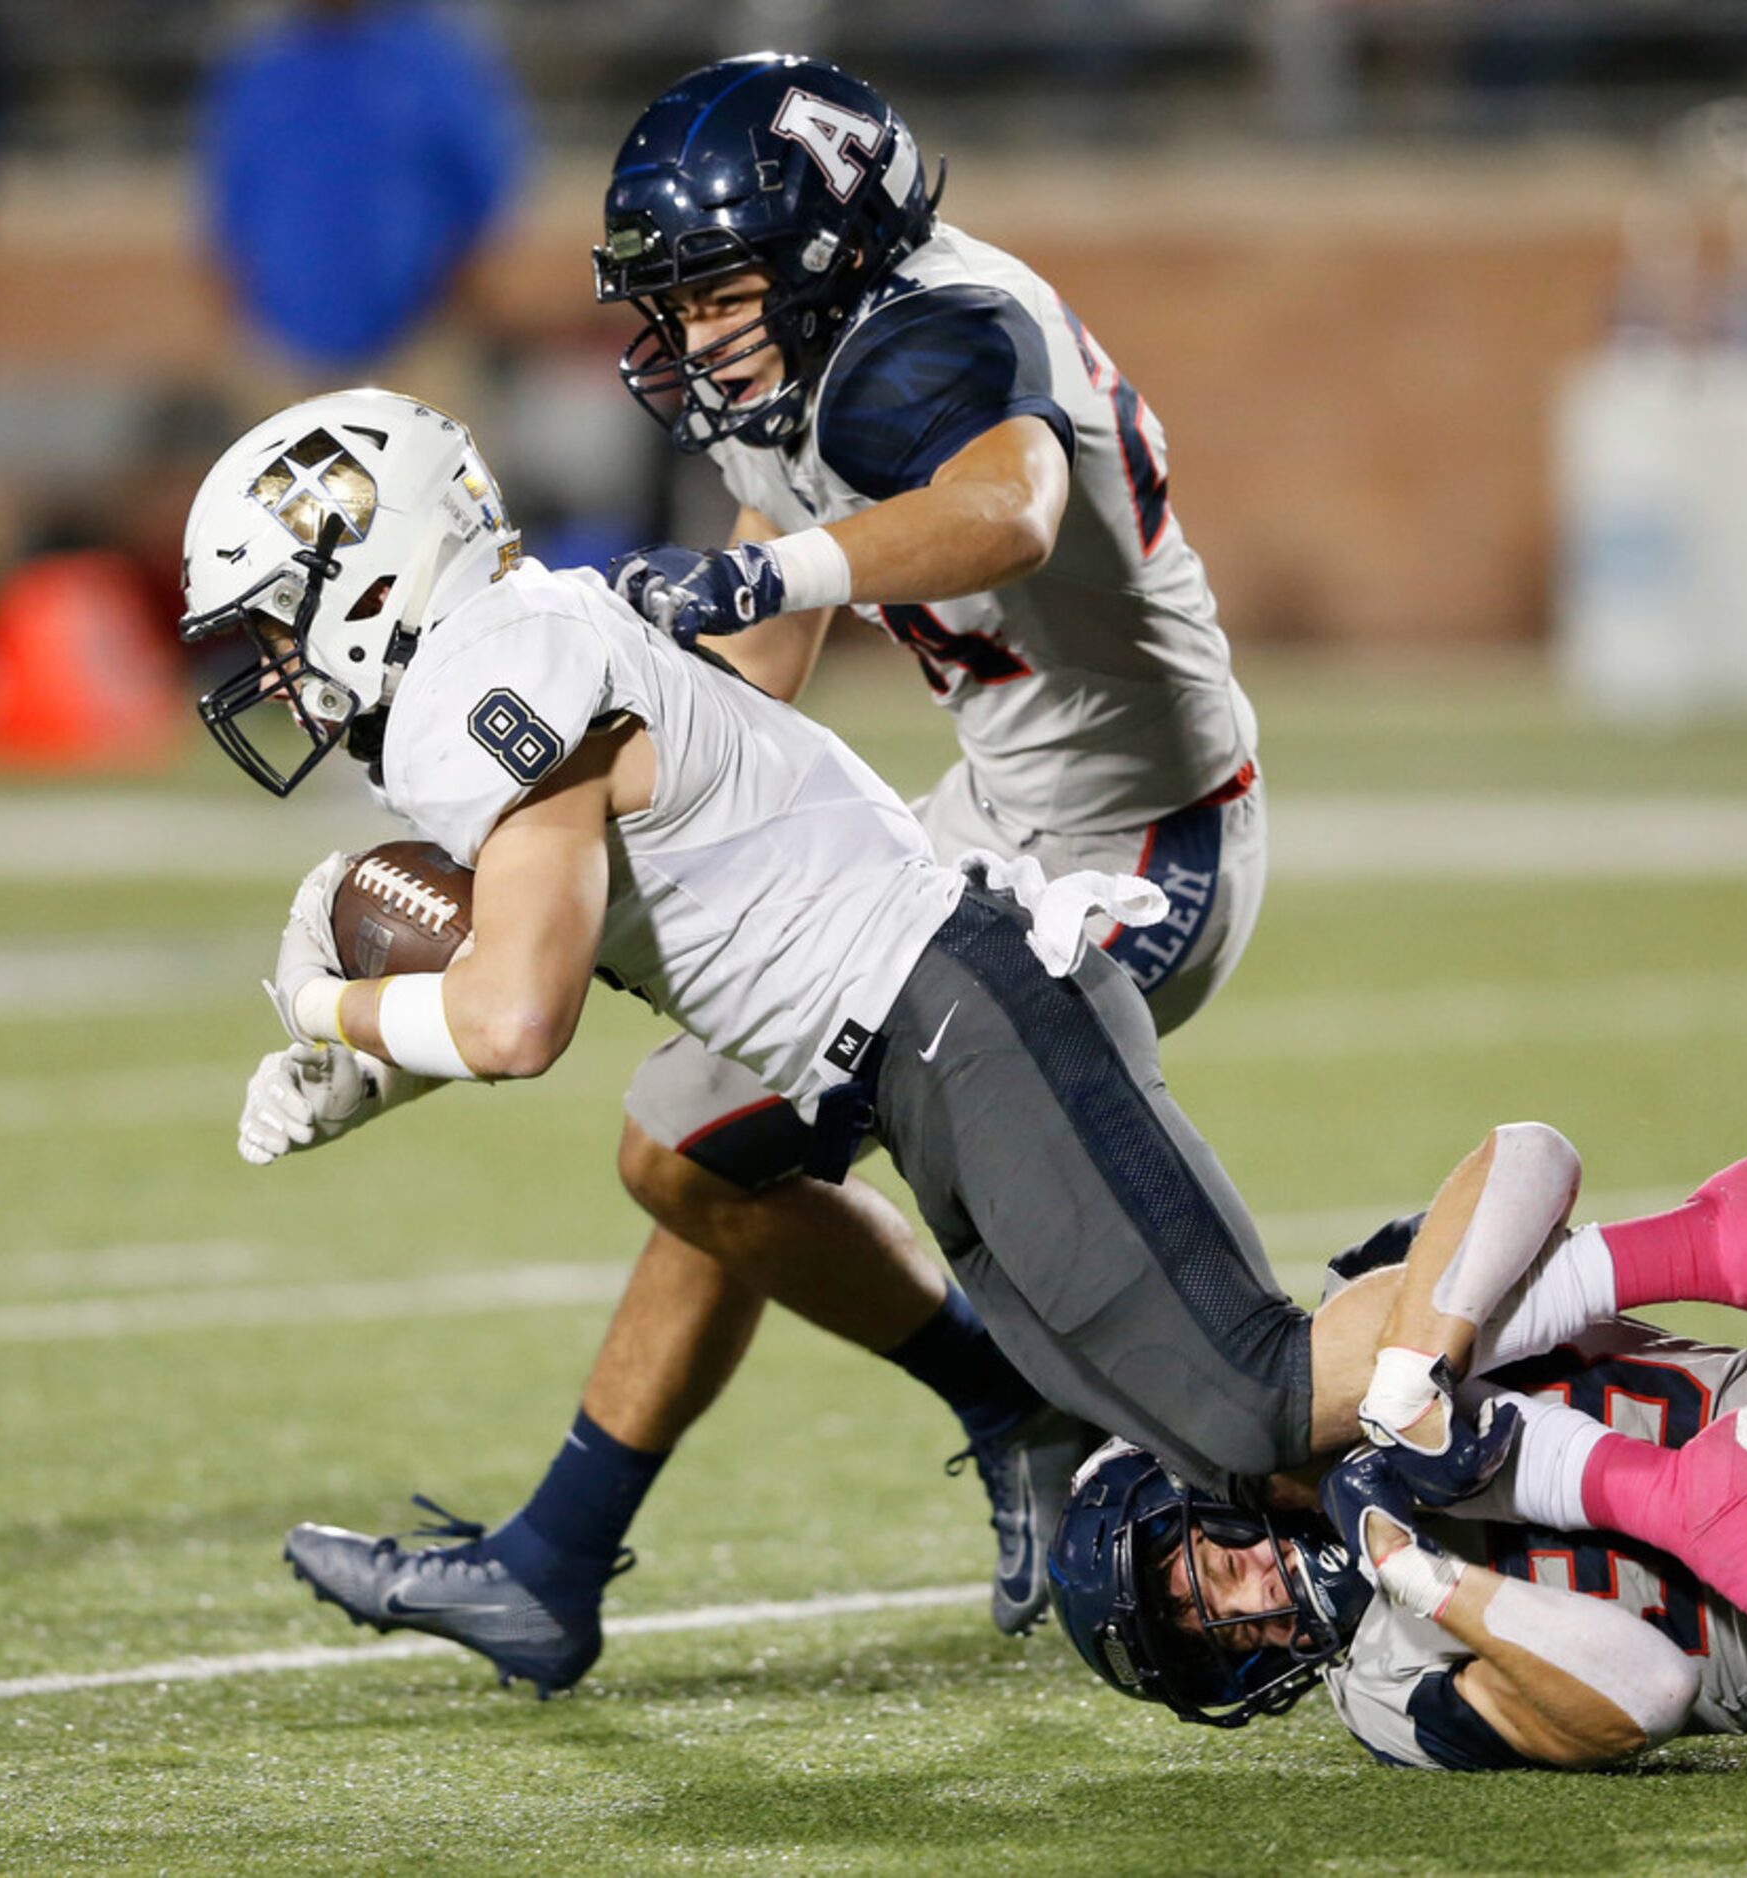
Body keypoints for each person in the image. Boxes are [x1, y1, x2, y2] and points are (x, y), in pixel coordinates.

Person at [189, 390, 1747, 1702]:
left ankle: (1714, 1259)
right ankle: (1664, 1502)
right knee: (1225, 1420)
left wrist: (327, 1003)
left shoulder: (484, 672)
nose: (270, 669)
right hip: (924, 1036)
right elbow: (557, 945)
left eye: (276, 619)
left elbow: (513, 1015)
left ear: (364, 574)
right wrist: (367, 1051)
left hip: (956, 1014)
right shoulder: (518, 647)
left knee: (1251, 1396)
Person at [264, 48, 1273, 1684]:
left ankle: (1271, 1468)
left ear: (825, 253)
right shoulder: (800, 368)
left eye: (714, 289)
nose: (684, 333)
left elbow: (1002, 511)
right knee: (683, 1142)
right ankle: (562, 1557)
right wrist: (553, 842)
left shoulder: (935, 332)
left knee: (1082, 1280)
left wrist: (758, 578)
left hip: (1130, 841)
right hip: (993, 814)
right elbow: (750, 687)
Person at [1054, 1137, 1747, 1766]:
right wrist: (1418, 1573)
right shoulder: (1385, 1693)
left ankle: (1728, 1237)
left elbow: (1527, 1156)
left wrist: (1410, 1388)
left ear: (1208, 1492)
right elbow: (1646, 1687)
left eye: (1203, 1570)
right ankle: (1706, 1453)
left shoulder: (1368, 1342)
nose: (1243, 1605)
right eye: (1209, 1640)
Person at [199, 0, 526, 369]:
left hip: (414, 352)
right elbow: (229, 203)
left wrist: (453, 305)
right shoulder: (262, 70)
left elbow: (484, 193)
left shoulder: (434, 62)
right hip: (280, 354)